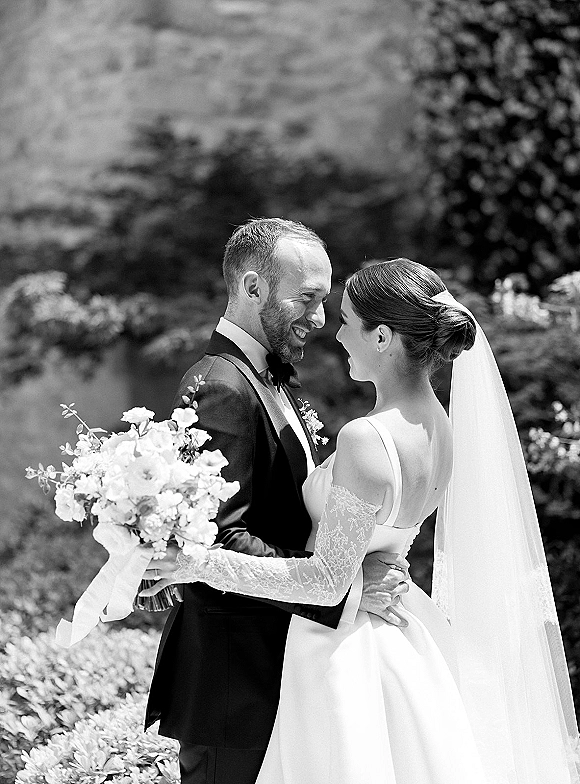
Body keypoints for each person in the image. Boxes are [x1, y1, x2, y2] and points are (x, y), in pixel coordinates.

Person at [144, 257, 580, 784]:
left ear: (381, 337)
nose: (336, 331)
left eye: (348, 320)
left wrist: (194, 563)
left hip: (344, 653)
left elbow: (327, 582)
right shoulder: (442, 427)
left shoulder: (366, 439)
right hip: (402, 634)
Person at [144, 220, 409, 784]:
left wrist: (354, 561)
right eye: (307, 298)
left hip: (280, 669)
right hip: (235, 681)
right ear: (252, 288)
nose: (319, 318)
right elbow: (218, 541)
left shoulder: (271, 378)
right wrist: (344, 585)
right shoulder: (221, 385)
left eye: (324, 300)